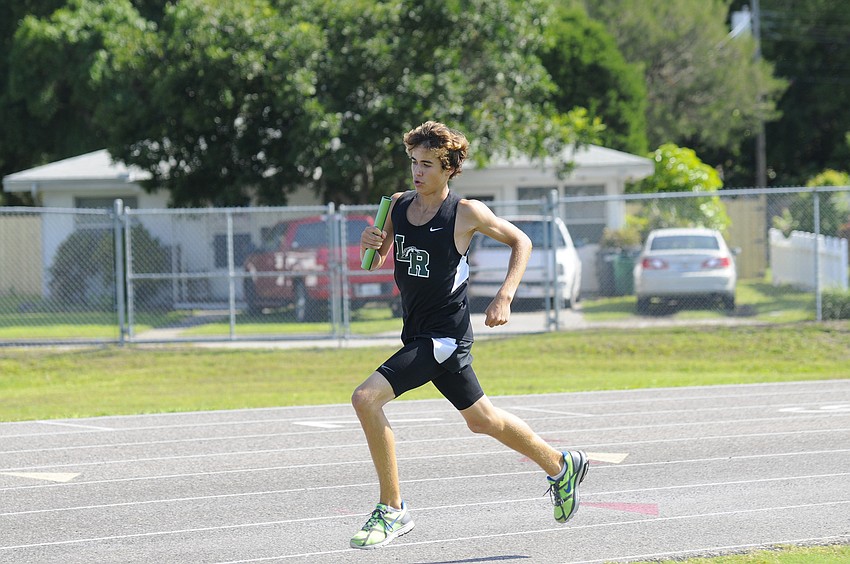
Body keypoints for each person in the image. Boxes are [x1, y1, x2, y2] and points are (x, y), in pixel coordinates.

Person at [350, 120, 588, 550]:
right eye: (413, 163)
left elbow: (522, 242)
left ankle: (392, 508)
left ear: (448, 169)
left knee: (366, 398)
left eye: (427, 164)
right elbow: (377, 257)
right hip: (417, 334)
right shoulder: (399, 205)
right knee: (483, 421)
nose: (417, 172)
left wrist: (505, 295)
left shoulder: (465, 212)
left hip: (443, 339)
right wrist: (373, 240)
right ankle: (560, 464)